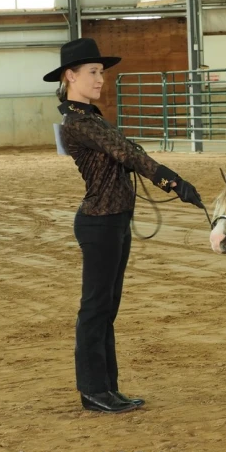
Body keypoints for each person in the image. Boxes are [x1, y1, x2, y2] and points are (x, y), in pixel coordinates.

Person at [43, 38, 204, 413]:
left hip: (113, 222)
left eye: (101, 72)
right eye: (93, 72)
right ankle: (92, 391)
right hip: (99, 224)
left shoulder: (93, 118)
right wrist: (174, 182)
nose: (101, 79)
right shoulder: (78, 123)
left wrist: (167, 178)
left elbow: (129, 149)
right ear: (71, 76)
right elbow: (128, 154)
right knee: (95, 309)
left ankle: (107, 388)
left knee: (106, 309)